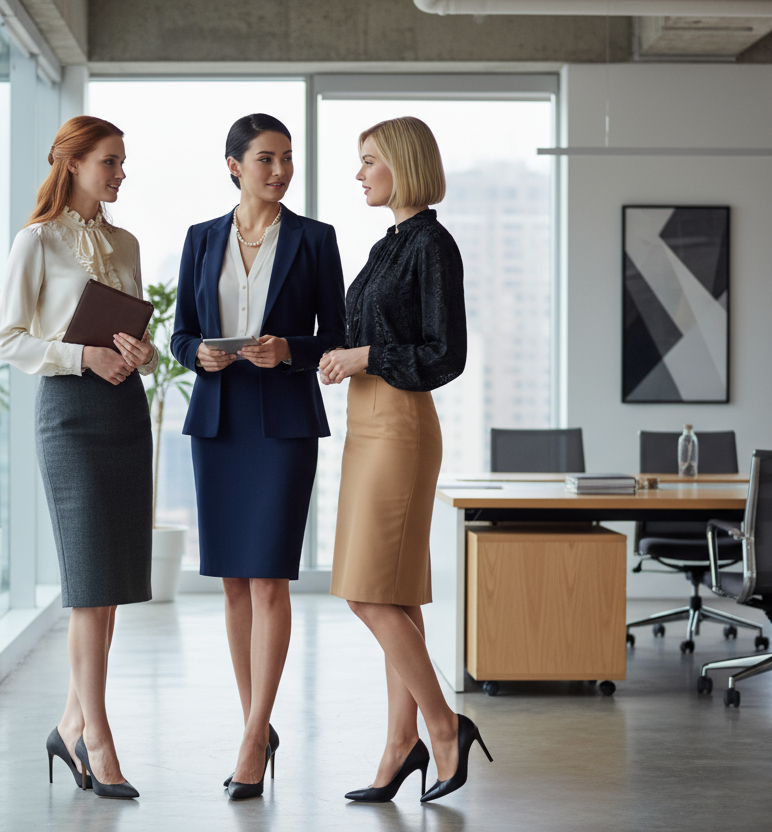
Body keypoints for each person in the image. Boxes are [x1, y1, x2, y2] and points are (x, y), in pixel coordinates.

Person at [171, 113, 345, 800]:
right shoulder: (200, 238)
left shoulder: (315, 239)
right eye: (267, 158)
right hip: (219, 420)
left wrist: (289, 351)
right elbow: (182, 333)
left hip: (283, 423)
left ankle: (251, 738)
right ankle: (257, 725)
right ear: (234, 166)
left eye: (288, 158)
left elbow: (337, 333)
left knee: (269, 579)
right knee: (233, 583)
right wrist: (200, 354)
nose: (280, 171)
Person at [319, 116, 488, 804]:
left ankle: (445, 727)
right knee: (394, 595)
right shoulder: (387, 244)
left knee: (368, 592)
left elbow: (447, 354)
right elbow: (357, 335)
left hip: (400, 426)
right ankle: (400, 746)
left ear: (404, 164)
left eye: (370, 160)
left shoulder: (432, 245)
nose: (359, 173)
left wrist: (365, 356)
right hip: (365, 425)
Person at [0, 115, 157, 800]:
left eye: (121, 161)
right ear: (72, 164)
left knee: (108, 588)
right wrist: (81, 356)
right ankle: (99, 737)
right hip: (69, 416)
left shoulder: (126, 242)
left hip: (125, 412)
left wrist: (141, 353)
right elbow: (8, 338)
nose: (120, 173)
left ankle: (70, 725)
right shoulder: (36, 241)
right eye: (109, 162)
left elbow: (133, 330)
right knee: (89, 587)